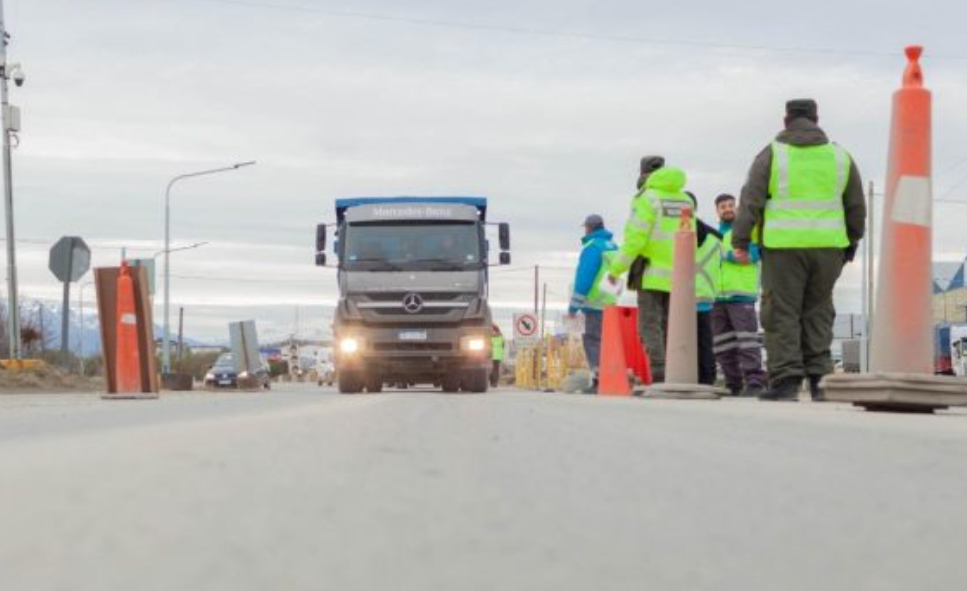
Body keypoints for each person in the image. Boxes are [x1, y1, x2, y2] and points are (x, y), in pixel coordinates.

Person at [732, 99, 866, 401]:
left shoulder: (772, 154)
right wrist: (851, 243)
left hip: (783, 248)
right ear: (817, 119)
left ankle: (786, 381)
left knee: (782, 313)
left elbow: (750, 199)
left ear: (785, 120)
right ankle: (821, 382)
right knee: (818, 312)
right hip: (829, 248)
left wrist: (740, 241)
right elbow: (856, 206)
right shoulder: (840, 156)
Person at [609, 159, 695, 383]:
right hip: (679, 274)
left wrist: (616, 268)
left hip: (651, 274)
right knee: (672, 326)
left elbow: (635, 239)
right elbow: (689, 237)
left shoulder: (647, 198)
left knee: (649, 325)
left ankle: (659, 374)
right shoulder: (685, 199)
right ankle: (675, 373)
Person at [713, 193, 767, 397]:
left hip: (741, 296)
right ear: (717, 211)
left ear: (736, 208)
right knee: (723, 344)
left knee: (747, 341)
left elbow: (752, 256)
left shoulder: (747, 230)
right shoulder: (713, 234)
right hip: (717, 297)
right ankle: (732, 383)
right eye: (722, 206)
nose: (727, 209)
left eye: (730, 205)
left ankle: (754, 382)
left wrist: (727, 256)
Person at [567, 214, 618, 393]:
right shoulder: (613, 246)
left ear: (589, 228)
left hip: (594, 304)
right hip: (611, 302)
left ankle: (599, 381)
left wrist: (573, 307)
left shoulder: (592, 247)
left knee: (592, 341)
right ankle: (612, 379)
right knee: (608, 343)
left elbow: (584, 279)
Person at [686, 192, 723, 386]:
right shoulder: (717, 237)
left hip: (682, 298)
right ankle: (707, 381)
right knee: (705, 343)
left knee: (682, 344)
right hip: (707, 297)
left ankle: (685, 378)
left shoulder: (677, 233)